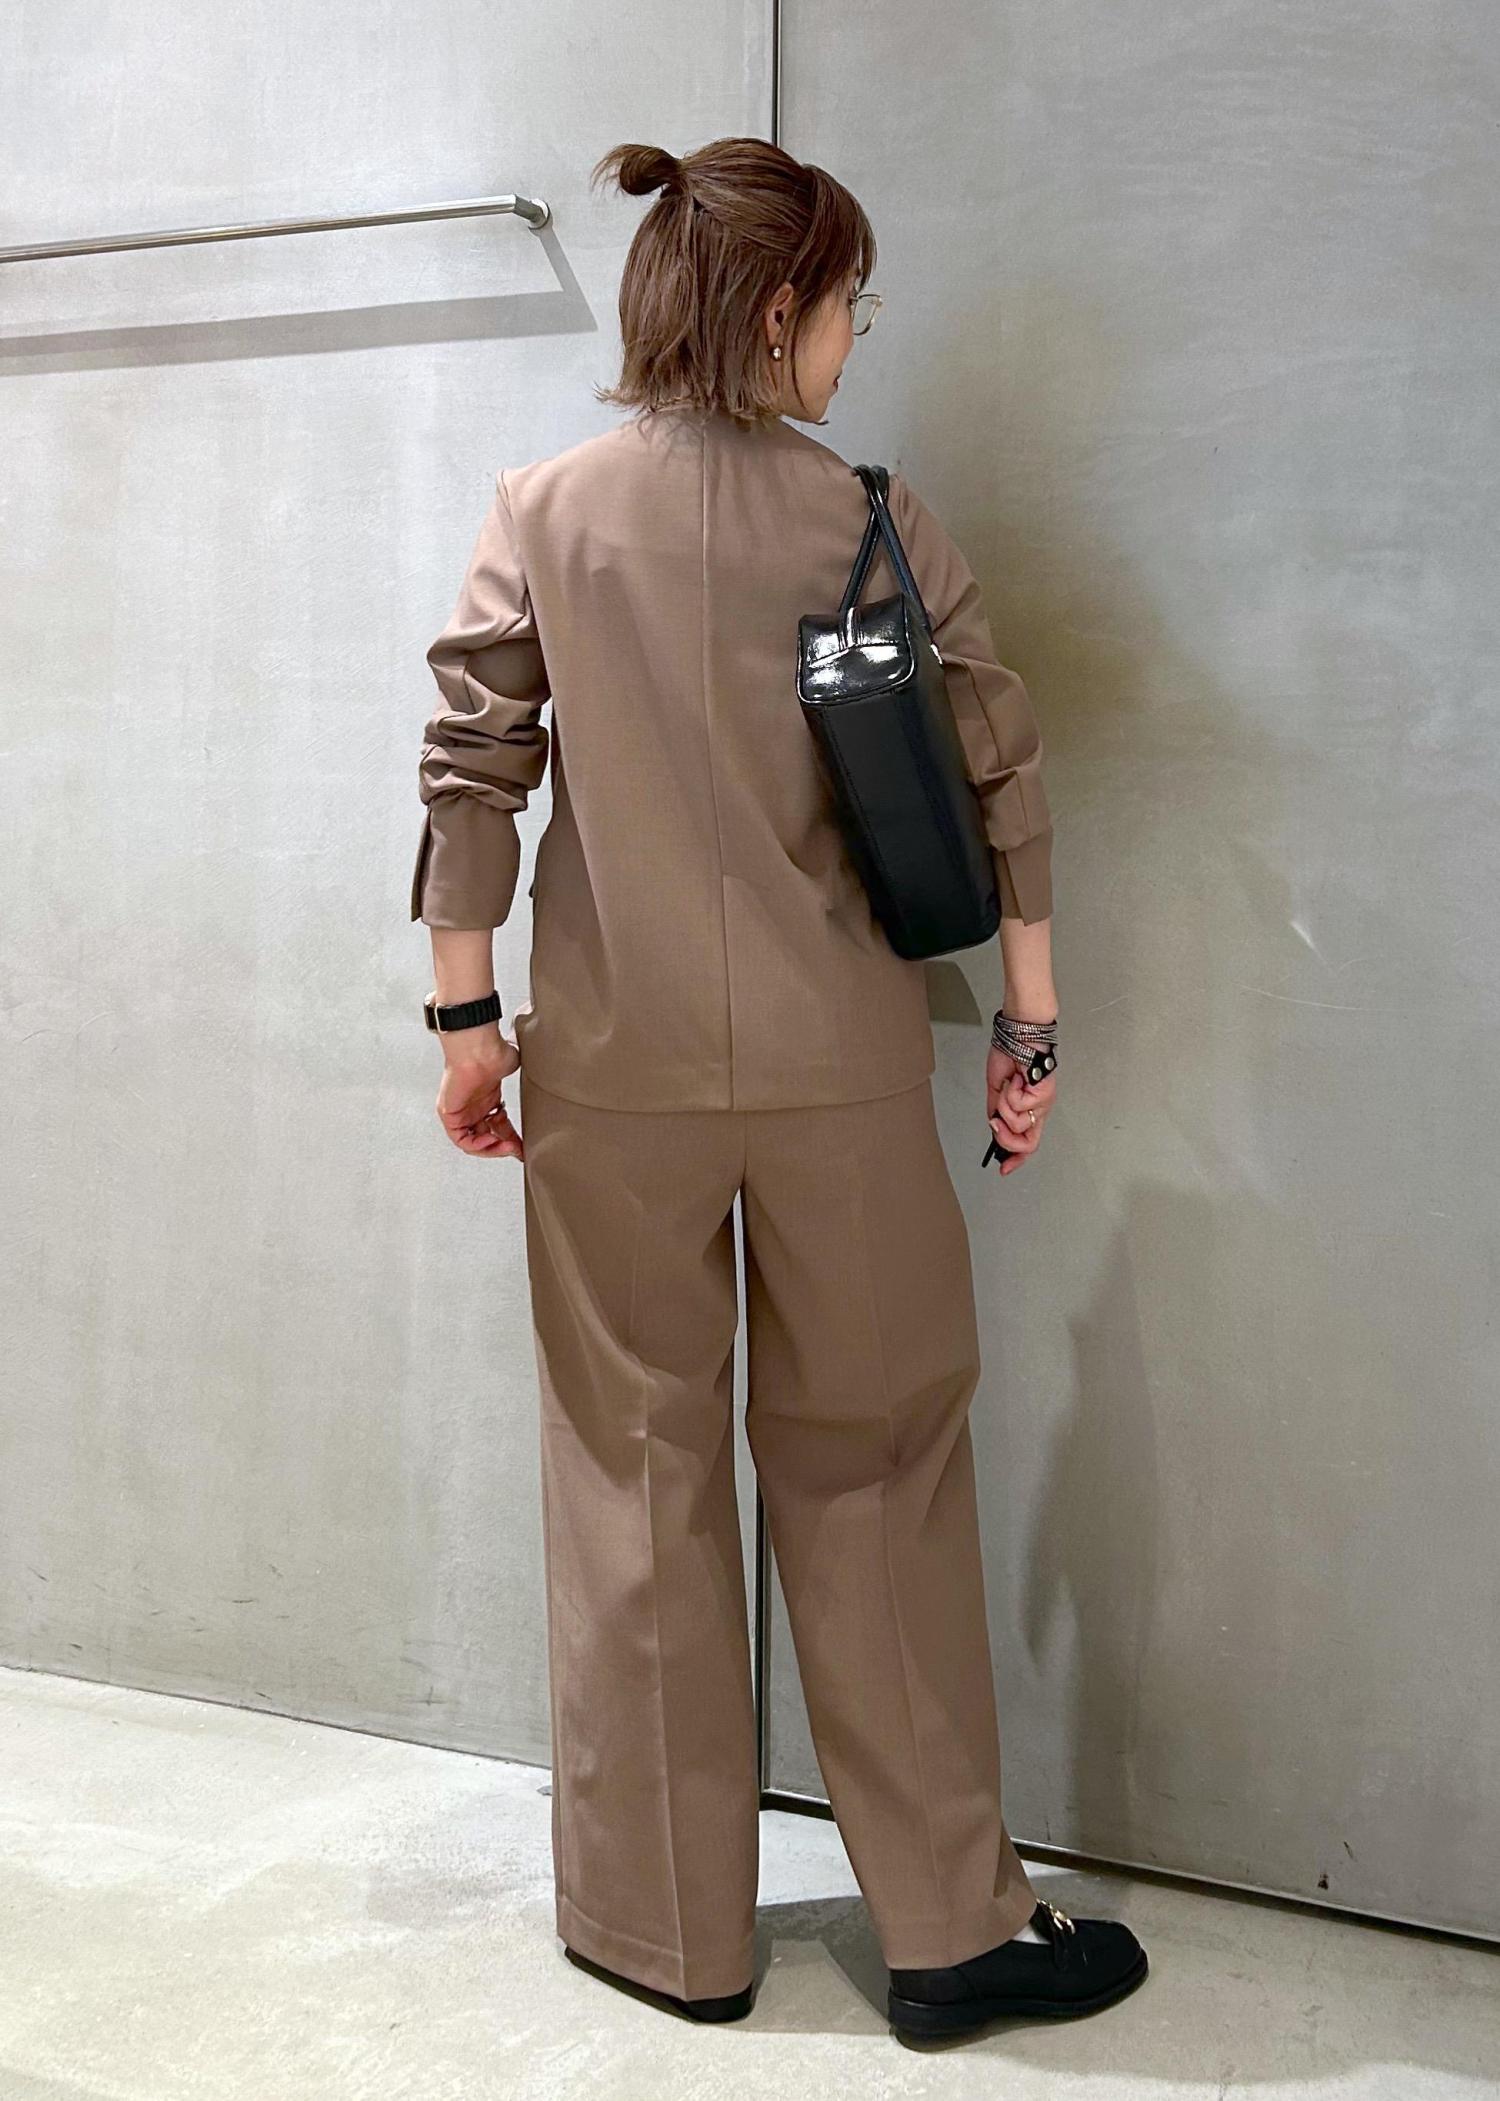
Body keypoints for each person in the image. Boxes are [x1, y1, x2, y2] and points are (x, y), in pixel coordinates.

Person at [410, 134, 1148, 2043]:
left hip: (615, 1076)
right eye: (847, 307)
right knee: (879, 1465)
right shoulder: (873, 519)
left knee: (635, 1464)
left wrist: (467, 1020)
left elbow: (472, 765)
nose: (854, 340)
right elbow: (1002, 772)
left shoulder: (542, 510)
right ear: (774, 312)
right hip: (842, 1081)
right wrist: (1029, 1024)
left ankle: (667, 1931)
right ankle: (952, 1929)